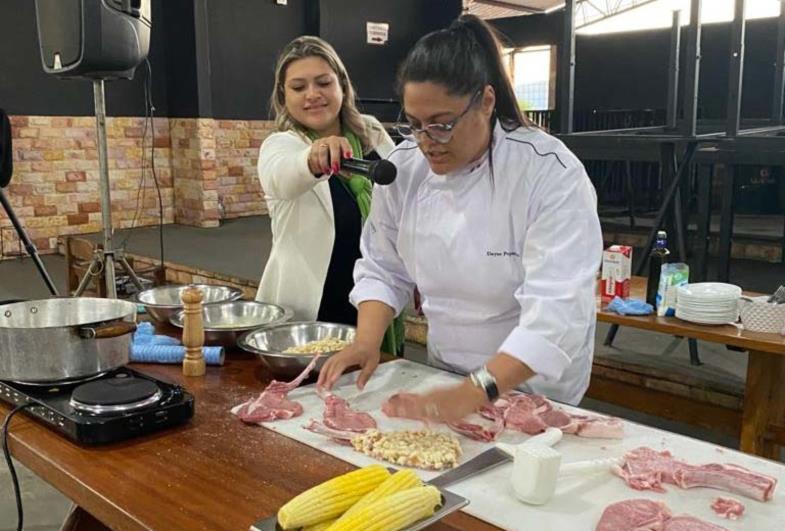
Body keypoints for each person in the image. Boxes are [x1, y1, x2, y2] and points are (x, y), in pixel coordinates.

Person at [317, 15, 603, 422]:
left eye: (442, 125)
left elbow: (557, 313)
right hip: (446, 372)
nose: (426, 142)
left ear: (486, 102)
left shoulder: (548, 172)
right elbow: (383, 267)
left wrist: (473, 392)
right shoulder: (405, 167)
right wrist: (366, 341)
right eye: (414, 125)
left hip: (533, 389)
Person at [256, 36, 404, 355]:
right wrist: (314, 157)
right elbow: (281, 178)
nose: (313, 95)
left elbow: (403, 204)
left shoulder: (372, 133)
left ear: (342, 85)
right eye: (298, 87)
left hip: (377, 303)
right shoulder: (281, 145)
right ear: (284, 96)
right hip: (316, 308)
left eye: (323, 82)